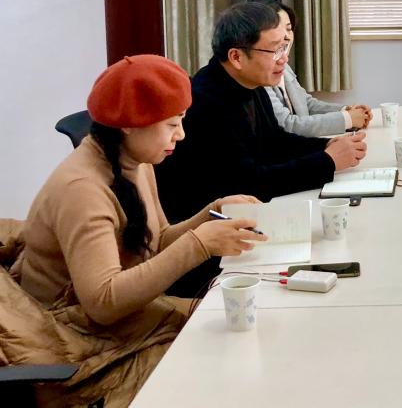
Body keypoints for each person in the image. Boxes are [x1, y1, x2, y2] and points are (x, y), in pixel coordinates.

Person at [13, 55, 265, 333]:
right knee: (223, 332)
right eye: (172, 125)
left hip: (114, 315)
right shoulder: (82, 191)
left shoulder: (136, 159)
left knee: (237, 320)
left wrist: (211, 213)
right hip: (66, 329)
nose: (181, 135)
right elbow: (103, 302)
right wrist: (198, 245)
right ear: (129, 124)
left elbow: (157, 240)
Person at [155, 2, 367, 297]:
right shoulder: (206, 102)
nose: (284, 59)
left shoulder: (249, 83)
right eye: (274, 50)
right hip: (207, 246)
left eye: (284, 47)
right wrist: (327, 162)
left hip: (244, 220)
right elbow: (250, 181)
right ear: (237, 57)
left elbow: (275, 141)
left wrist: (328, 146)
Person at [261, 0, 373, 136]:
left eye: (289, 29)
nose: (286, 37)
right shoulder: (259, 74)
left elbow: (306, 104)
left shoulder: (284, 65)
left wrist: (346, 111)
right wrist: (347, 119)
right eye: (278, 30)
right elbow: (287, 125)